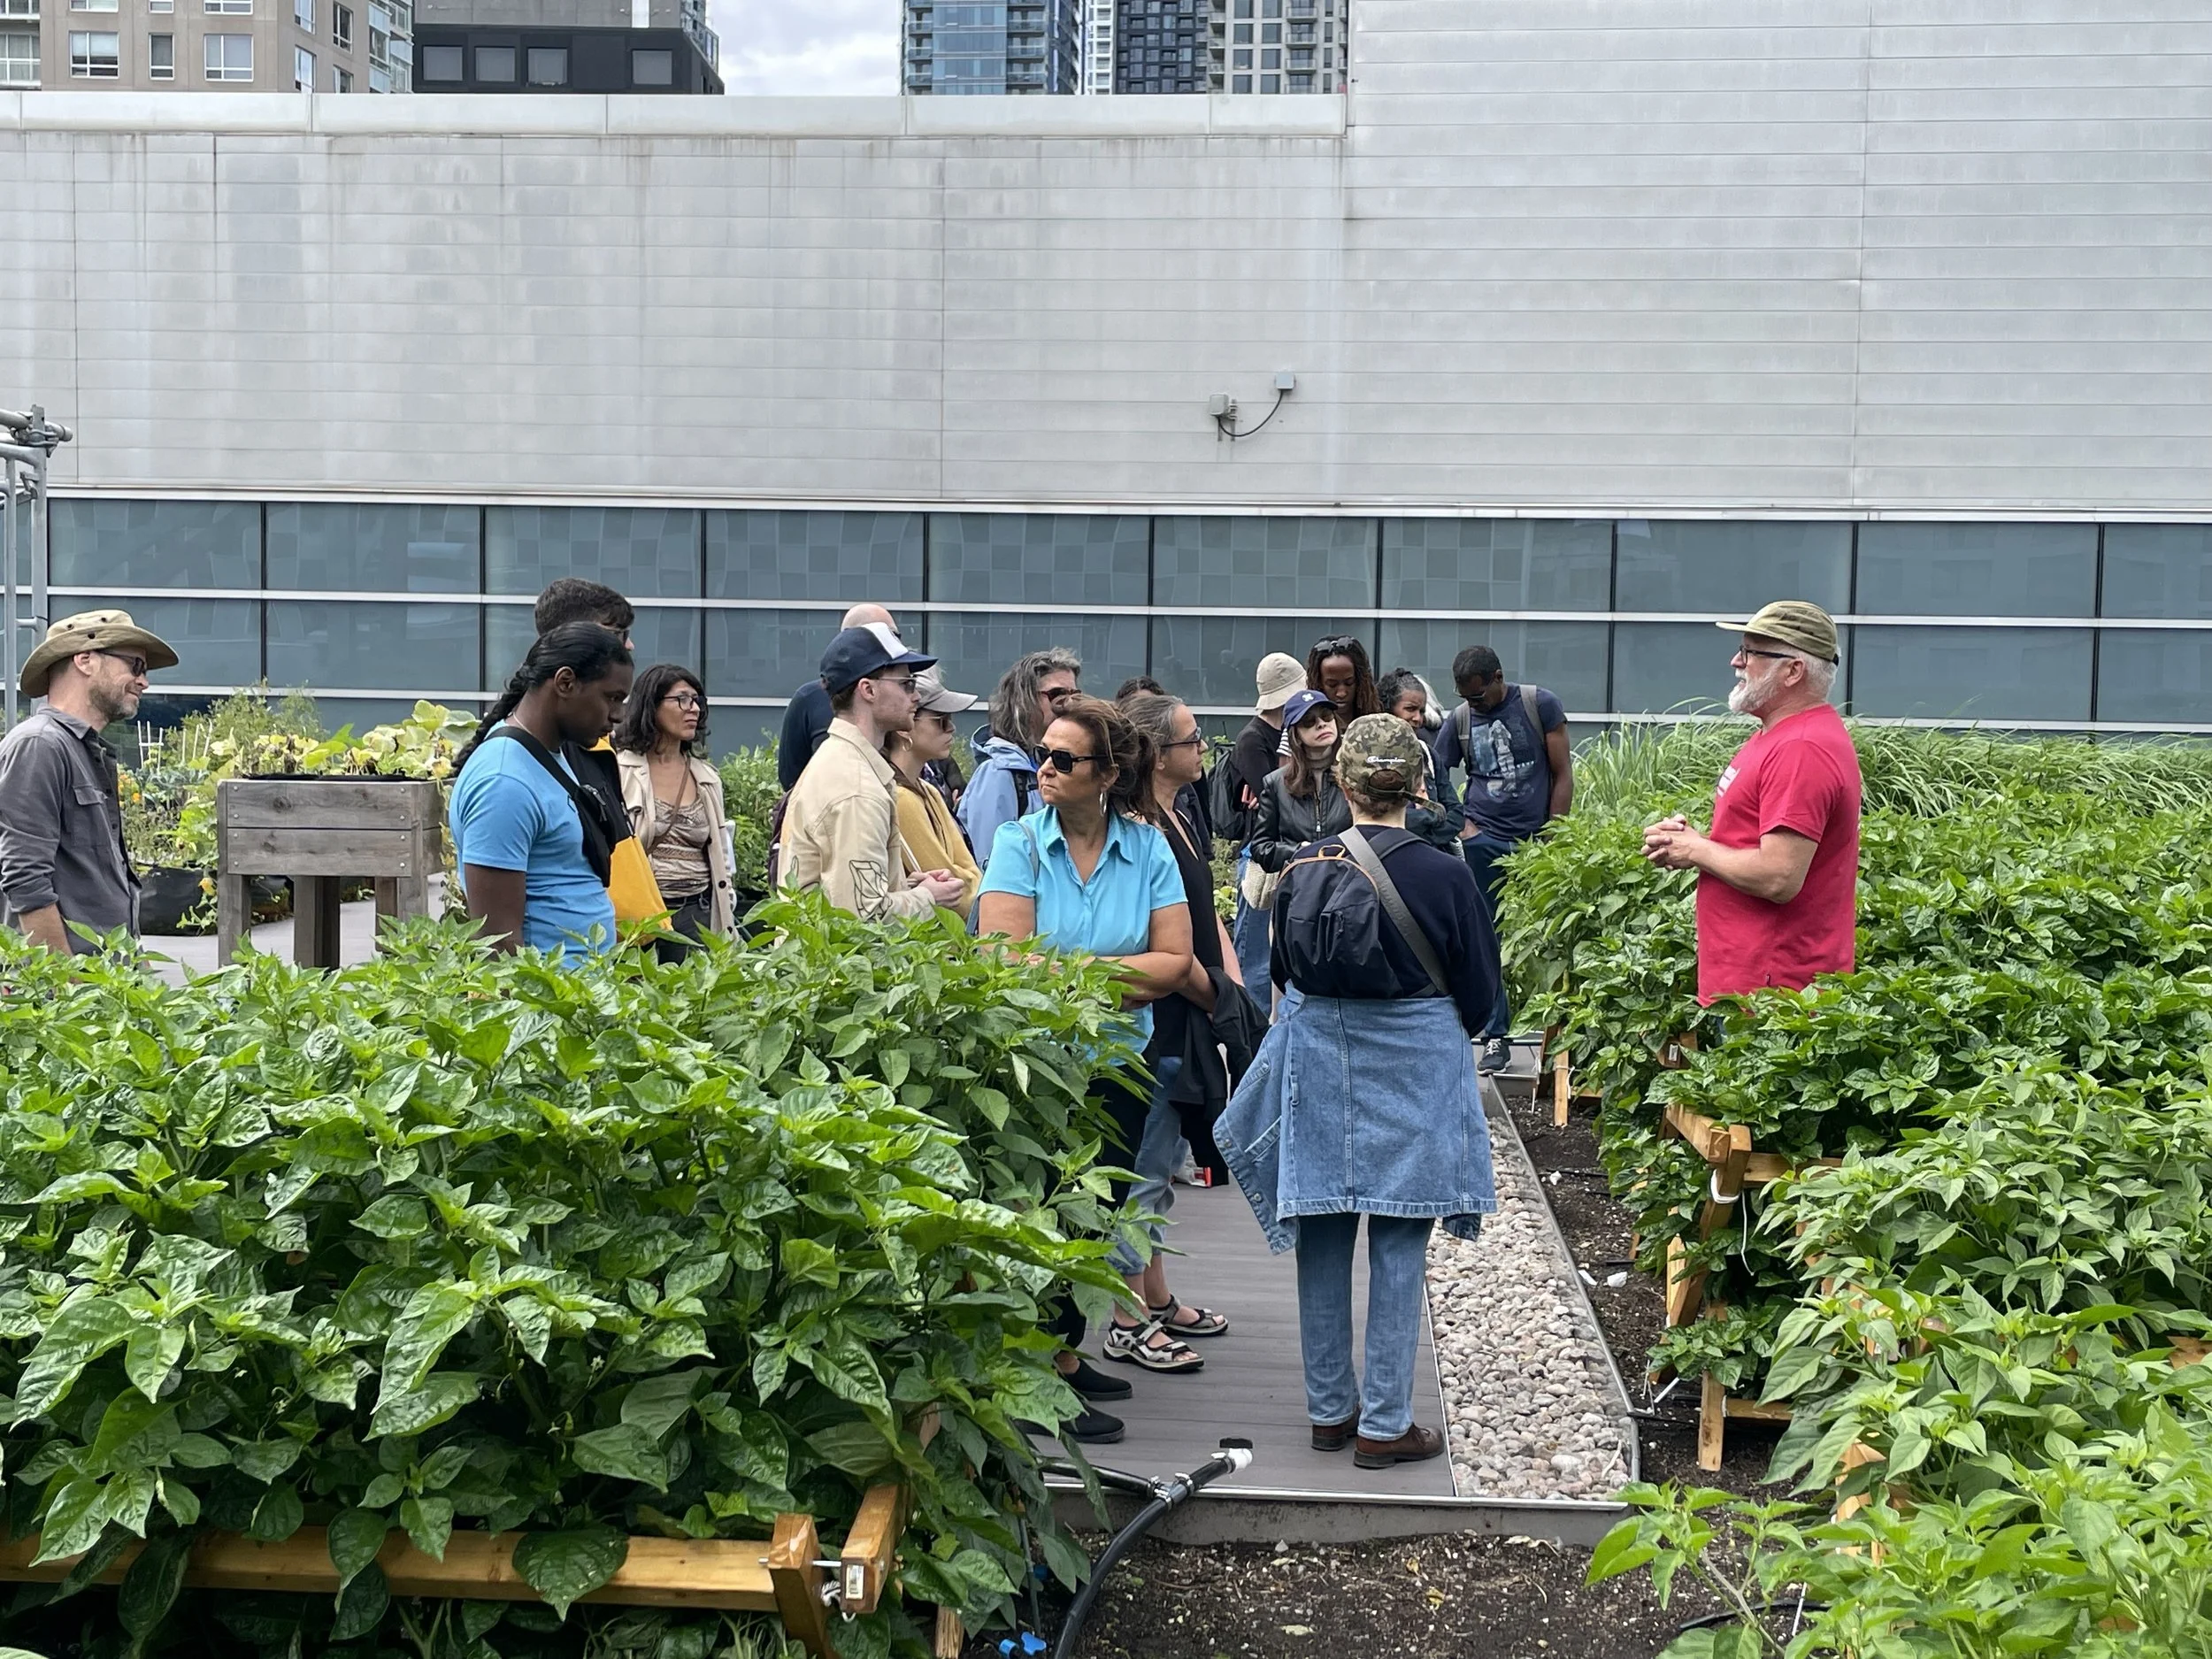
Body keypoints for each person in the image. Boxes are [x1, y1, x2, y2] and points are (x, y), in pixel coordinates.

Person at [1217, 715, 1498, 1471]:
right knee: (1402, 1236)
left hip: (1323, 1058)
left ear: (1340, 783)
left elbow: (1281, 972)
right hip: (1416, 1063)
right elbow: (1481, 998)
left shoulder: (1306, 865)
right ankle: (1385, 1422)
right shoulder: (1447, 874)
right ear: (1417, 786)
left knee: (1325, 1227)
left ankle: (1328, 1413)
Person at [976, 693, 1194, 1440]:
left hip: (1117, 1065)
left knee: (1095, 1218)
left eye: (1064, 759)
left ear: (1106, 774)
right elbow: (1003, 959)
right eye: (1044, 754)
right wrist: (1115, 973)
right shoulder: (1017, 841)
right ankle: (1036, 1376)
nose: (1045, 768)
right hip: (1036, 1069)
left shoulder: (1148, 846)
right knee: (1040, 1217)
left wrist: (1068, 970)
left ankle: (1062, 1357)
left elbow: (1175, 963)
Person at [1108, 689, 1244, 1363]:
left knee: (1161, 1164)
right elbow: (1164, 939)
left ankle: (1155, 1293)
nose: (1203, 750)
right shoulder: (1137, 827)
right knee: (1145, 1164)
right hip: (1158, 1016)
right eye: (1193, 740)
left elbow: (1200, 907)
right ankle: (1127, 1316)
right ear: (1159, 754)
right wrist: (1215, 991)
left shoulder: (1176, 813)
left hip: (1185, 1004)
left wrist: (1227, 979)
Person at [1642, 602, 1863, 1005]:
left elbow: (1779, 876)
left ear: (1793, 671)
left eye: (1750, 652)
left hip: (1773, 991)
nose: (1736, 661)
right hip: (1758, 980)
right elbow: (1751, 841)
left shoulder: (1801, 748)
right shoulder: (1782, 733)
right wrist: (1690, 843)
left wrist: (1695, 848)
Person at [451, 623, 636, 956]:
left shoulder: (549, 753)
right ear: (565, 683)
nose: (619, 715)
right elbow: (497, 943)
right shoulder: (504, 782)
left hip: (582, 994)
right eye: (611, 698)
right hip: (550, 1003)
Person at [1432, 644, 1573, 1073]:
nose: (1472, 704)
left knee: (1549, 938)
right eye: (1464, 697)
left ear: (1497, 678)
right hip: (1484, 841)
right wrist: (1463, 829)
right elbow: (1436, 776)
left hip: (1536, 845)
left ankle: (1562, 1041)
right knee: (1486, 936)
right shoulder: (1460, 720)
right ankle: (1496, 1036)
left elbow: (1562, 772)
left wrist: (1555, 835)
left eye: (1478, 695)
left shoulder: (1539, 704)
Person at [0, 610, 176, 955]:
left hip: (105, 987)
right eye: (135, 666)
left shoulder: (85, 751)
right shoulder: (39, 745)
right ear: (85, 660)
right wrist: (66, 991)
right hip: (67, 997)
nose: (144, 682)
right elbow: (26, 881)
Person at [780, 624, 969, 920]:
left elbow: (839, 894)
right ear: (867, 689)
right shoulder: (857, 787)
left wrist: (904, 886)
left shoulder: (842, 762)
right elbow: (861, 919)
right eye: (907, 684)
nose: (916, 696)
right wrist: (928, 897)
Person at [533, 579, 666, 931]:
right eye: (619, 633)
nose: (630, 644)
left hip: (622, 953)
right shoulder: (538, 752)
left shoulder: (590, 736)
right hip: (592, 963)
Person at [612, 664, 735, 958]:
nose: (692, 709)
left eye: (696, 701)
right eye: (681, 699)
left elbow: (724, 853)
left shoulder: (705, 776)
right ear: (651, 705)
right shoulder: (620, 770)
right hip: (644, 917)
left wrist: (727, 902)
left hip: (700, 913)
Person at [1216, 651, 1305, 990]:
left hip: (1288, 850)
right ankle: (1250, 1034)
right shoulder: (1253, 739)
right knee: (1254, 954)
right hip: (1260, 856)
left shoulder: (1291, 730)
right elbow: (1279, 797)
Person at [958, 647, 1081, 863]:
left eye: (1074, 695)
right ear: (1023, 700)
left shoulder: (1046, 761)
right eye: (1057, 695)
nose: (1067, 704)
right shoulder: (999, 772)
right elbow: (989, 862)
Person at [885, 669, 983, 916]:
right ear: (905, 727)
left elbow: (968, 873)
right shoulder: (900, 796)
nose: (951, 728)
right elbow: (955, 889)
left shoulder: (928, 790)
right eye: (941, 720)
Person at [776, 601, 901, 790]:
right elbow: (791, 779)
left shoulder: (906, 700)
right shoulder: (809, 699)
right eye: (889, 636)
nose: (896, 644)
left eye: (896, 636)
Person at [1248, 689, 1348, 881]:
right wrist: (1300, 851)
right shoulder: (1276, 783)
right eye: (1309, 721)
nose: (1321, 724)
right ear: (1295, 735)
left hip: (1348, 885)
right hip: (1299, 890)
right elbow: (1261, 847)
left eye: (1327, 716)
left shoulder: (1354, 776)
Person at [1377, 666, 1464, 853]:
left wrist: (1425, 837)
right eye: (1410, 709)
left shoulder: (1428, 755)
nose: (1418, 719)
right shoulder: (1370, 758)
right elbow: (1383, 820)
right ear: (1388, 709)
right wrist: (1432, 815)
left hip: (1433, 855)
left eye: (1422, 711)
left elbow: (1456, 814)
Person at [1307, 634, 1381, 720]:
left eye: (1349, 683)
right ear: (1318, 682)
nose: (1341, 694)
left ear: (1361, 681)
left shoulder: (1381, 721)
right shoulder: (1305, 726)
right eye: (1332, 685)